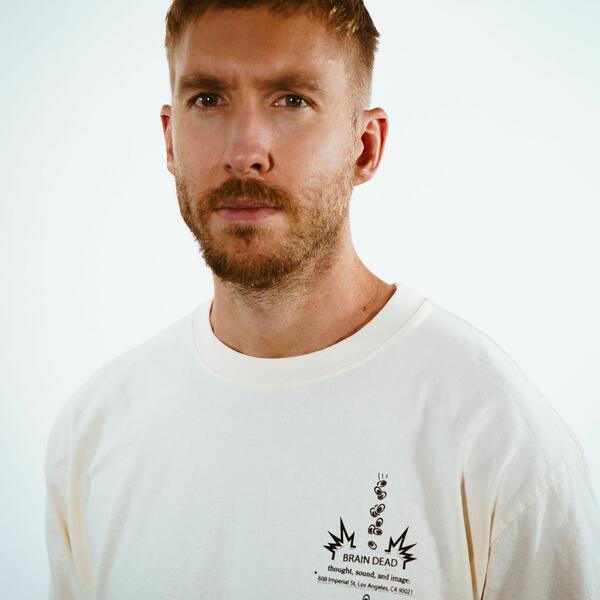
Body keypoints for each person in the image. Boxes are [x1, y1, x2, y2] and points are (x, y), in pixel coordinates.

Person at [44, 1, 600, 599]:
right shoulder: (94, 433)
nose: (244, 152)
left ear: (365, 147)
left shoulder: (497, 439)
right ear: (170, 139)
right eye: (207, 99)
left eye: (292, 100)